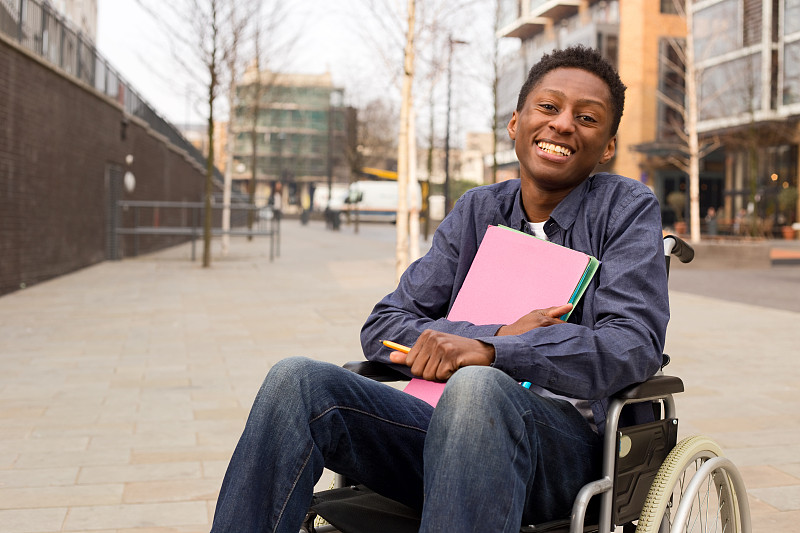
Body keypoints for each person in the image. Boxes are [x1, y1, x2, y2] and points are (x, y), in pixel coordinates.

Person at [209, 45, 669, 533]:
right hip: (437, 428)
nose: (562, 124)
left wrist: (494, 354)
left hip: (560, 450)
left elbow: (632, 344)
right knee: (295, 380)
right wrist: (490, 337)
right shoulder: (476, 211)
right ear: (516, 123)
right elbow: (385, 324)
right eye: (549, 107)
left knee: (477, 388)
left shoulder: (625, 208)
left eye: (587, 117)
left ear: (609, 146)